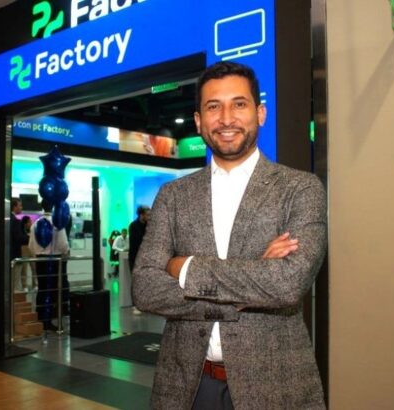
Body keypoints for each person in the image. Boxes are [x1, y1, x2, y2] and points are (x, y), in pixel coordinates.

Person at [132, 61, 327, 409]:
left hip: (275, 386)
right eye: (213, 107)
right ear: (198, 121)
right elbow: (145, 289)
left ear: (260, 113)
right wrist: (252, 281)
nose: (226, 118)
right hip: (187, 386)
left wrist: (184, 267)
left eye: (239, 104)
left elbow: (288, 284)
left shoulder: (300, 188)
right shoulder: (173, 196)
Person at [29, 199, 70, 331]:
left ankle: (40, 317)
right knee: (53, 290)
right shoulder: (57, 224)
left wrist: (39, 253)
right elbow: (64, 246)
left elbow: (31, 246)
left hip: (40, 260)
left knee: (42, 288)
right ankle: (49, 319)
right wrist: (65, 253)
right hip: (54, 260)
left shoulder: (35, 224)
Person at [10, 198, 29, 291]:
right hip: (15, 255)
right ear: (14, 207)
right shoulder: (15, 221)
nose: (21, 207)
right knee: (15, 283)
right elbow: (19, 238)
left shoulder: (7, 219)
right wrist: (30, 238)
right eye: (20, 205)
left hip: (8, 256)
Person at [128, 206, 150, 272]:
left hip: (146, 258)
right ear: (141, 215)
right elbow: (136, 242)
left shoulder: (149, 226)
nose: (149, 217)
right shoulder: (133, 226)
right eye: (148, 215)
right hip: (135, 257)